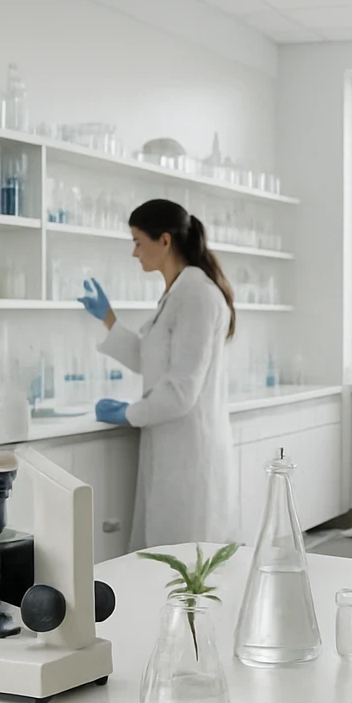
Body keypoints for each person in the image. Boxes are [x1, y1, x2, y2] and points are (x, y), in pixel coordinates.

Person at [77, 198, 234, 550]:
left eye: (137, 242)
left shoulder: (196, 295)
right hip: (171, 446)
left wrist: (129, 413)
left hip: (189, 452)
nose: (134, 253)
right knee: (166, 555)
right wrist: (109, 319)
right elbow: (154, 361)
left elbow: (181, 391)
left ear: (164, 240)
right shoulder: (178, 293)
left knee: (183, 560)